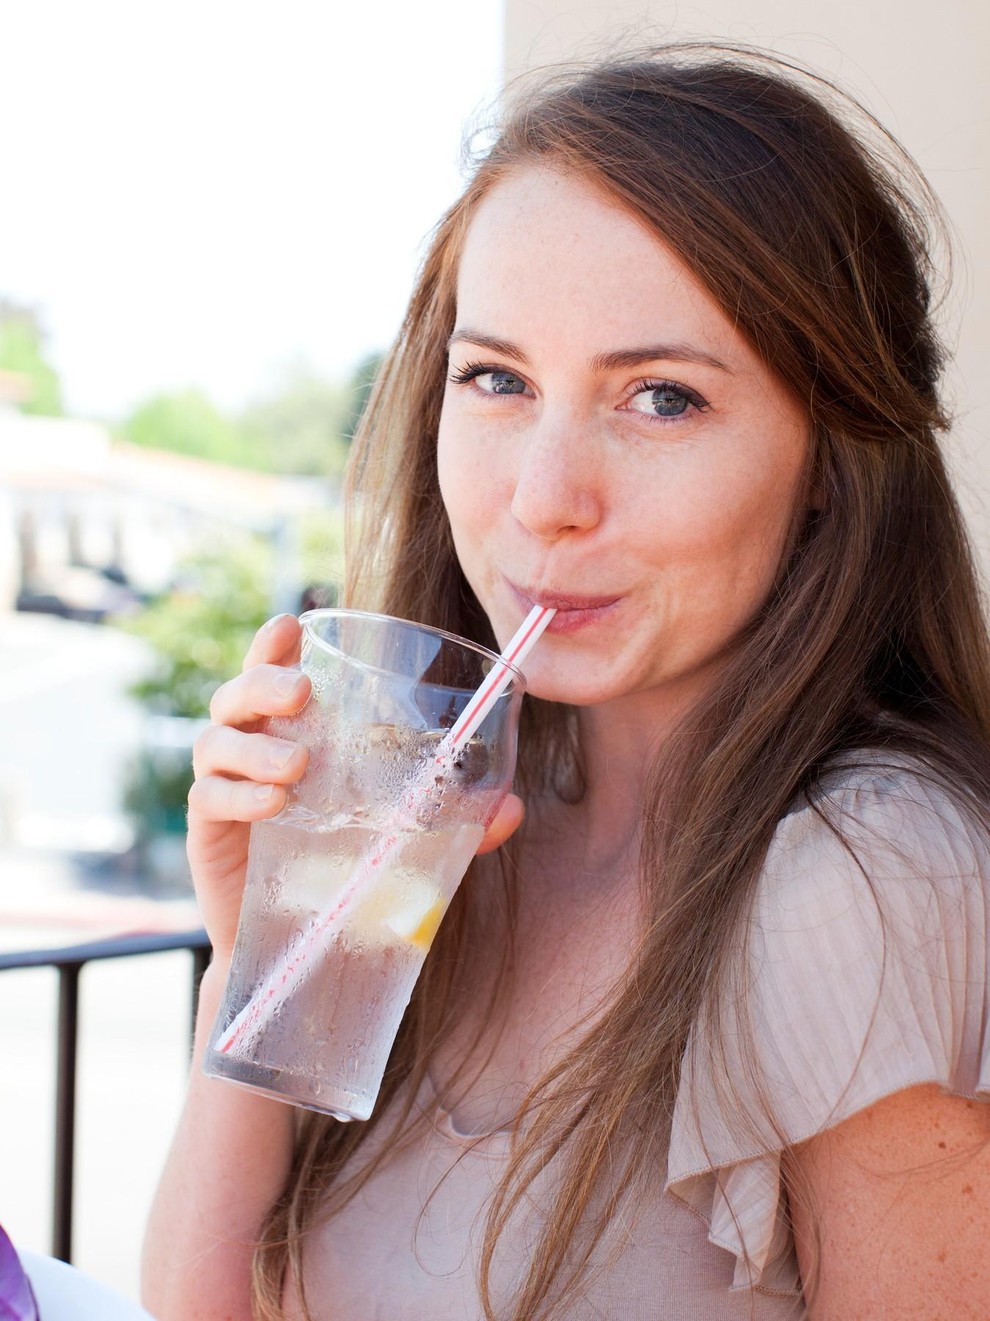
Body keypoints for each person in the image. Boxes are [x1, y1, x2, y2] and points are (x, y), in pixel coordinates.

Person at [142, 43, 990, 1320]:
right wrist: (266, 970)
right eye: (498, 380)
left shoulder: (862, 876)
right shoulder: (440, 832)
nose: (543, 501)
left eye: (660, 398)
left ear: (830, 456)